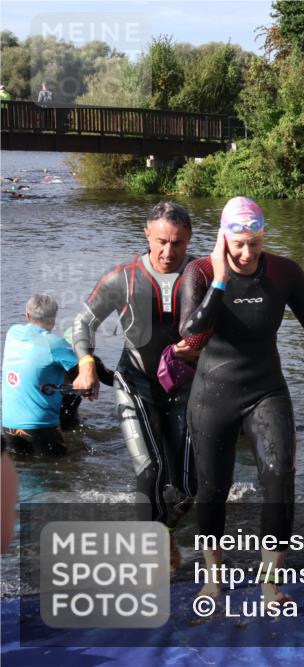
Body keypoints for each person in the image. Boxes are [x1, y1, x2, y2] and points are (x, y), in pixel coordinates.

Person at [179, 196, 304, 604]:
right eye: (239, 244)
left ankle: (271, 583)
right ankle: (213, 580)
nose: (248, 253)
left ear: (263, 237)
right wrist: (219, 280)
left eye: (255, 242)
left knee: (279, 475)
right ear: (223, 239)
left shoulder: (284, 272)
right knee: (213, 489)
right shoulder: (198, 272)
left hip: (265, 389)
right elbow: (190, 333)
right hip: (212, 395)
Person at [72, 201, 200, 565]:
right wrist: (86, 365)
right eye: (160, 241)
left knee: (189, 487)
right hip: (136, 382)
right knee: (151, 468)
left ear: (188, 238)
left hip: (185, 388)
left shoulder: (202, 273)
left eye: (177, 243)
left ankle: (166, 533)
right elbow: (83, 323)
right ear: (147, 234)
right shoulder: (123, 277)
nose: (167, 251)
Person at [2, 294, 80, 456]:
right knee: (62, 469)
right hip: (41, 426)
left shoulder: (12, 333)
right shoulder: (56, 344)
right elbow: (83, 375)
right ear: (54, 318)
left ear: (27, 315)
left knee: (21, 471)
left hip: (9, 425)